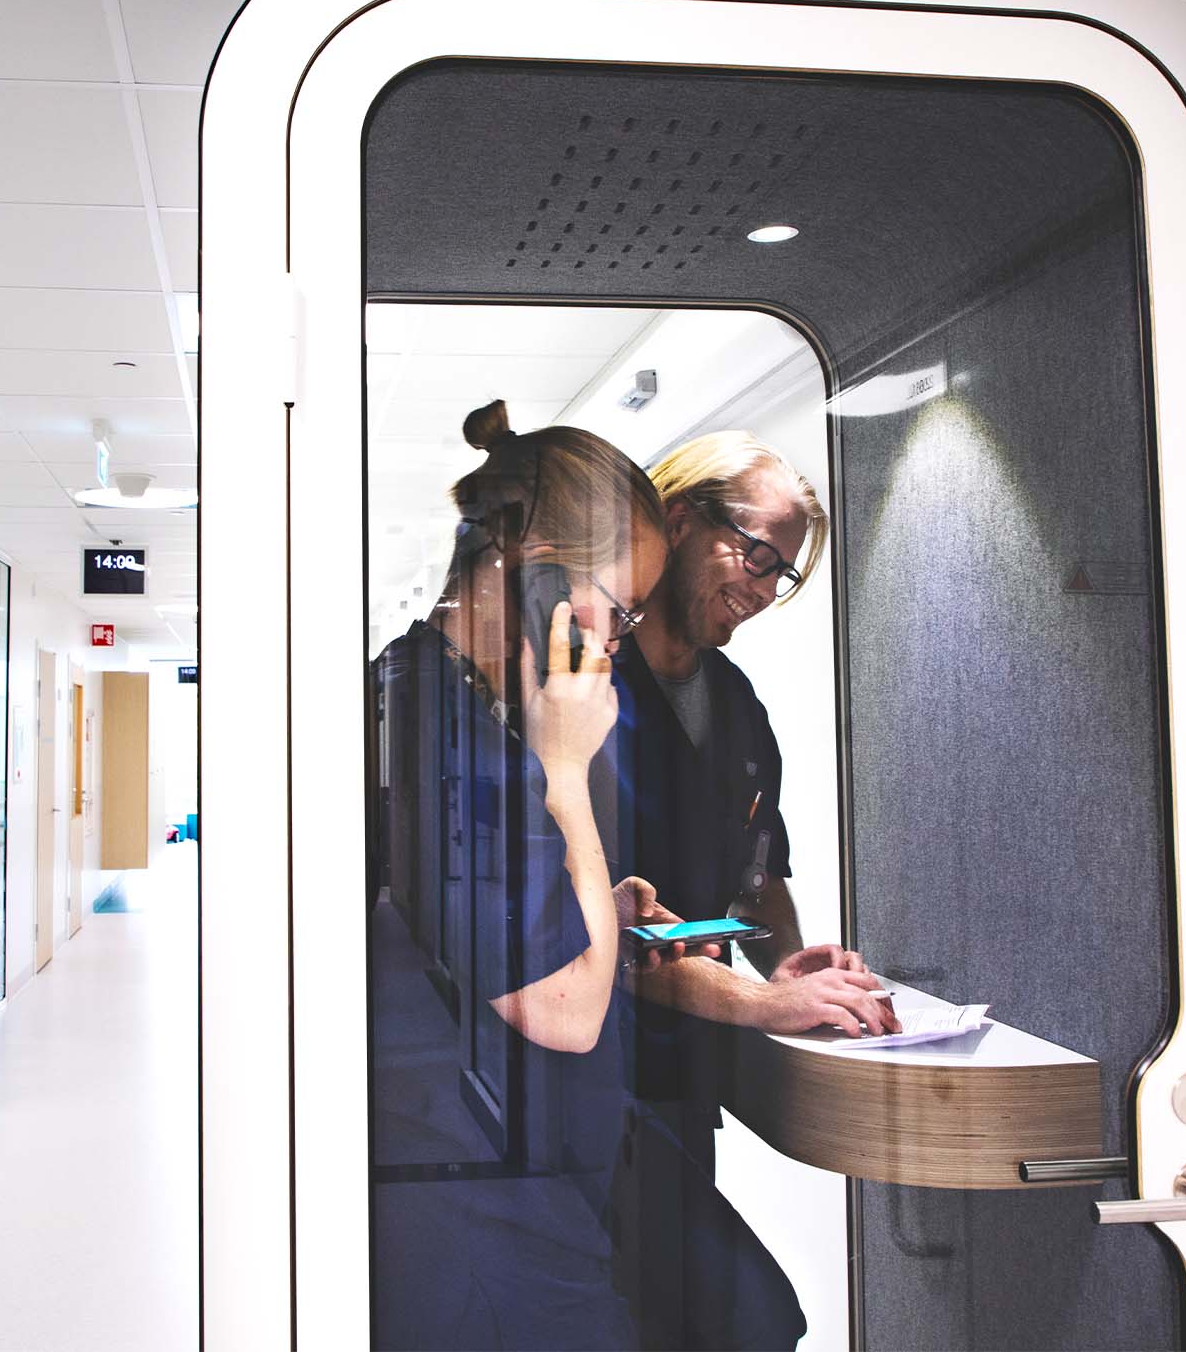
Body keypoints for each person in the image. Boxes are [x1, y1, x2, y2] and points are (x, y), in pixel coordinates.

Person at [371, 399, 703, 1351]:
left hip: (508, 1175)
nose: (622, 636)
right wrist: (566, 767)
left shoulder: (445, 694)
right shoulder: (451, 734)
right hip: (482, 1208)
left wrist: (594, 898)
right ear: (541, 570)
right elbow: (563, 1010)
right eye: (621, 605)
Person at [596, 430, 899, 1351]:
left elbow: (759, 880)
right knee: (740, 1321)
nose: (766, 590)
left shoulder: (737, 706)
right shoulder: (582, 688)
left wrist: (790, 964)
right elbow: (601, 926)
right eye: (759, 555)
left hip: (685, 1077)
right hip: (582, 1080)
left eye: (785, 575)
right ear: (680, 521)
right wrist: (769, 1002)